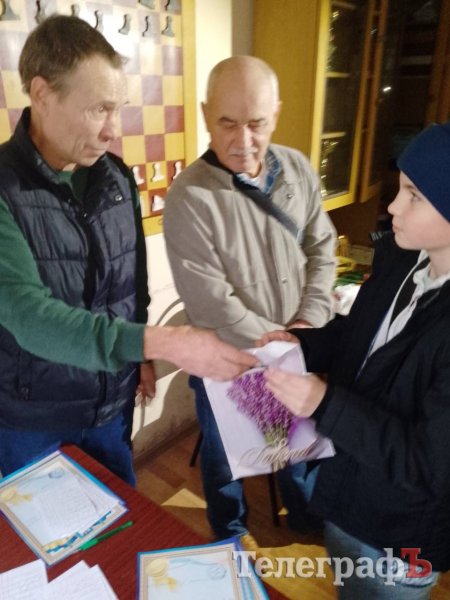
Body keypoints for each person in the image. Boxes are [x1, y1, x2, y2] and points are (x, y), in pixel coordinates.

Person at [0, 16, 256, 484]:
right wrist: (162, 342)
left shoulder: (116, 178)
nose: (113, 130)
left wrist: (139, 358)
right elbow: (28, 315)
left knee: (125, 520)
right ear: (41, 94)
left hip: (113, 408)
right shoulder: (4, 187)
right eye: (100, 109)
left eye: (118, 109)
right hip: (34, 420)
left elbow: (132, 280)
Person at [261, 121, 450, 598]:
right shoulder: (402, 258)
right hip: (347, 487)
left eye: (414, 196)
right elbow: (356, 334)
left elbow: (427, 464)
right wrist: (302, 345)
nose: (393, 206)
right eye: (400, 188)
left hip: (399, 535)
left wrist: (324, 404)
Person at [163, 56, 336, 542]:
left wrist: (308, 322)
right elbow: (212, 300)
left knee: (295, 441)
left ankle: (304, 515)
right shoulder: (189, 196)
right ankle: (229, 533)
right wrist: (282, 344)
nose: (243, 140)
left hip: (297, 344)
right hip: (229, 358)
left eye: (257, 123)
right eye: (227, 123)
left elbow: (322, 247)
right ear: (204, 114)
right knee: (225, 457)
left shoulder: (298, 168)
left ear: (276, 113)